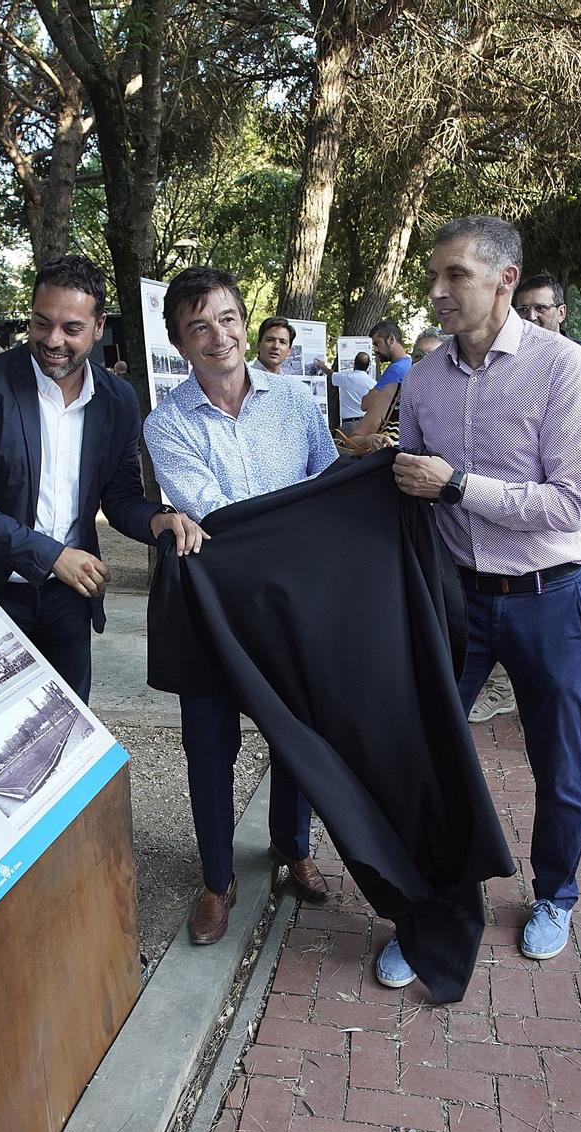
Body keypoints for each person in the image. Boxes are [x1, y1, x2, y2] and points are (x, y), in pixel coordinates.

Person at [381, 215, 581, 981]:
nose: (437, 291)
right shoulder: (425, 376)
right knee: (430, 757)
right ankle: (433, 907)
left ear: (506, 279)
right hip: (454, 598)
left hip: (548, 597)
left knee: (557, 760)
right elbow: (410, 485)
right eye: (435, 276)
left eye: (455, 277)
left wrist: (459, 486)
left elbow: (568, 505)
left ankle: (556, 895)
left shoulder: (562, 366)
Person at [143, 265, 337, 947]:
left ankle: (293, 847)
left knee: (298, 736)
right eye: (198, 326)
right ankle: (218, 880)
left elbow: (326, 480)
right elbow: (216, 512)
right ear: (179, 340)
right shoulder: (165, 424)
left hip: (292, 607)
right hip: (216, 613)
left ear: (243, 321)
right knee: (207, 746)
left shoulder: (295, 401)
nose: (218, 335)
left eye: (227, 318)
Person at [0, 255, 206, 704]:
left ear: (99, 326)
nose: (52, 340)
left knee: (68, 730)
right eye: (41, 324)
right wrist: (52, 555)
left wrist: (159, 520)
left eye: (71, 328)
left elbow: (119, 496)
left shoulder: (117, 398)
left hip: (68, 598)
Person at [513, 273, 581, 409]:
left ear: (561, 313)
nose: (531, 316)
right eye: (523, 309)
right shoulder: (508, 356)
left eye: (541, 308)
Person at [342, 320, 412, 450]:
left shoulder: (396, 370)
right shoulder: (409, 363)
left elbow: (366, 404)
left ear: (391, 339)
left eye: (377, 344)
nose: (375, 349)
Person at [334, 351, 376, 431]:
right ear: (368, 367)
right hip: (366, 423)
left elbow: (331, 374)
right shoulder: (373, 383)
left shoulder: (345, 378)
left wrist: (322, 366)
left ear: (354, 364)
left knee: (350, 443)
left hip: (349, 424)